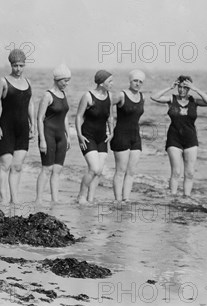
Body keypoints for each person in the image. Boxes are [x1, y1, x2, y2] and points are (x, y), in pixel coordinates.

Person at [150, 75, 207, 198]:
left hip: (190, 139)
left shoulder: (194, 101)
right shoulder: (171, 99)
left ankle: (186, 197)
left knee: (189, 173)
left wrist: (196, 89)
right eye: (180, 87)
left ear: (189, 88)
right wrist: (169, 87)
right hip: (174, 139)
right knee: (176, 172)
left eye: (185, 87)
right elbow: (154, 97)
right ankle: (173, 198)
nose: (182, 90)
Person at [0, 49, 35, 205]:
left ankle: (15, 199)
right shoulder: (2, 82)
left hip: (22, 128)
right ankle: (3, 198)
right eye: (15, 65)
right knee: (5, 165)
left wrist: (33, 125)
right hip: (5, 127)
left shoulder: (28, 82)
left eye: (21, 65)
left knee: (17, 166)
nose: (18, 69)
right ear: (11, 65)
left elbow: (30, 104)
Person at [76, 70, 115, 204]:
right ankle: (81, 196)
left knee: (99, 172)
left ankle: (90, 199)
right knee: (94, 168)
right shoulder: (88, 96)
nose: (112, 83)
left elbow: (110, 116)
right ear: (102, 83)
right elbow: (79, 116)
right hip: (87, 136)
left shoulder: (110, 96)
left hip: (102, 137)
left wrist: (112, 132)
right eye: (110, 81)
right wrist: (79, 135)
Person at [36, 64, 71, 204]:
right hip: (48, 135)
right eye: (65, 80)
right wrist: (42, 140)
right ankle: (38, 199)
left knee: (57, 170)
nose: (67, 84)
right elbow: (39, 118)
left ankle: (54, 200)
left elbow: (65, 116)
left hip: (61, 136)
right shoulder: (47, 95)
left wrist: (68, 136)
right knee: (46, 169)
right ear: (57, 79)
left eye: (68, 80)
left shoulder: (64, 94)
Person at [110, 70, 146, 202]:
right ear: (130, 81)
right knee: (120, 171)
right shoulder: (121, 95)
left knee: (131, 172)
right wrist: (109, 124)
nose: (137, 84)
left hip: (135, 137)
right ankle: (117, 200)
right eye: (135, 81)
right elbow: (107, 105)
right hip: (121, 135)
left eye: (140, 81)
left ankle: (126, 199)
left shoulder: (143, 97)